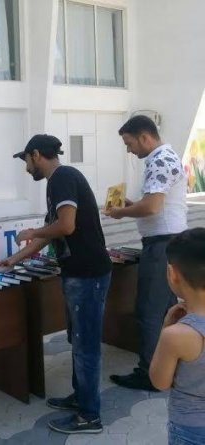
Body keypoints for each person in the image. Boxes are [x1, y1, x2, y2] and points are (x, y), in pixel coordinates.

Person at [1, 134, 112, 434]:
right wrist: (15, 259)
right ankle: (81, 397)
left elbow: (66, 226)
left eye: (26, 161)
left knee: (86, 346)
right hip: (78, 273)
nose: (26, 168)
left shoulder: (62, 178)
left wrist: (31, 232)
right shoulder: (60, 181)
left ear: (36, 155)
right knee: (79, 341)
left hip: (87, 275)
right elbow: (51, 233)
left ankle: (90, 416)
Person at [106, 115, 188, 391]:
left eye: (129, 143)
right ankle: (171, 364)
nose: (129, 150)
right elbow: (154, 203)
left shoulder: (160, 160)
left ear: (144, 136)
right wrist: (131, 205)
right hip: (168, 242)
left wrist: (121, 212)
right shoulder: (165, 157)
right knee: (166, 308)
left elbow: (152, 207)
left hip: (162, 244)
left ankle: (150, 373)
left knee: (149, 310)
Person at [150, 228, 205, 444]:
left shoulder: (176, 336)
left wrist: (166, 327)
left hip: (191, 429)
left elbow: (160, 381)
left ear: (173, 274)